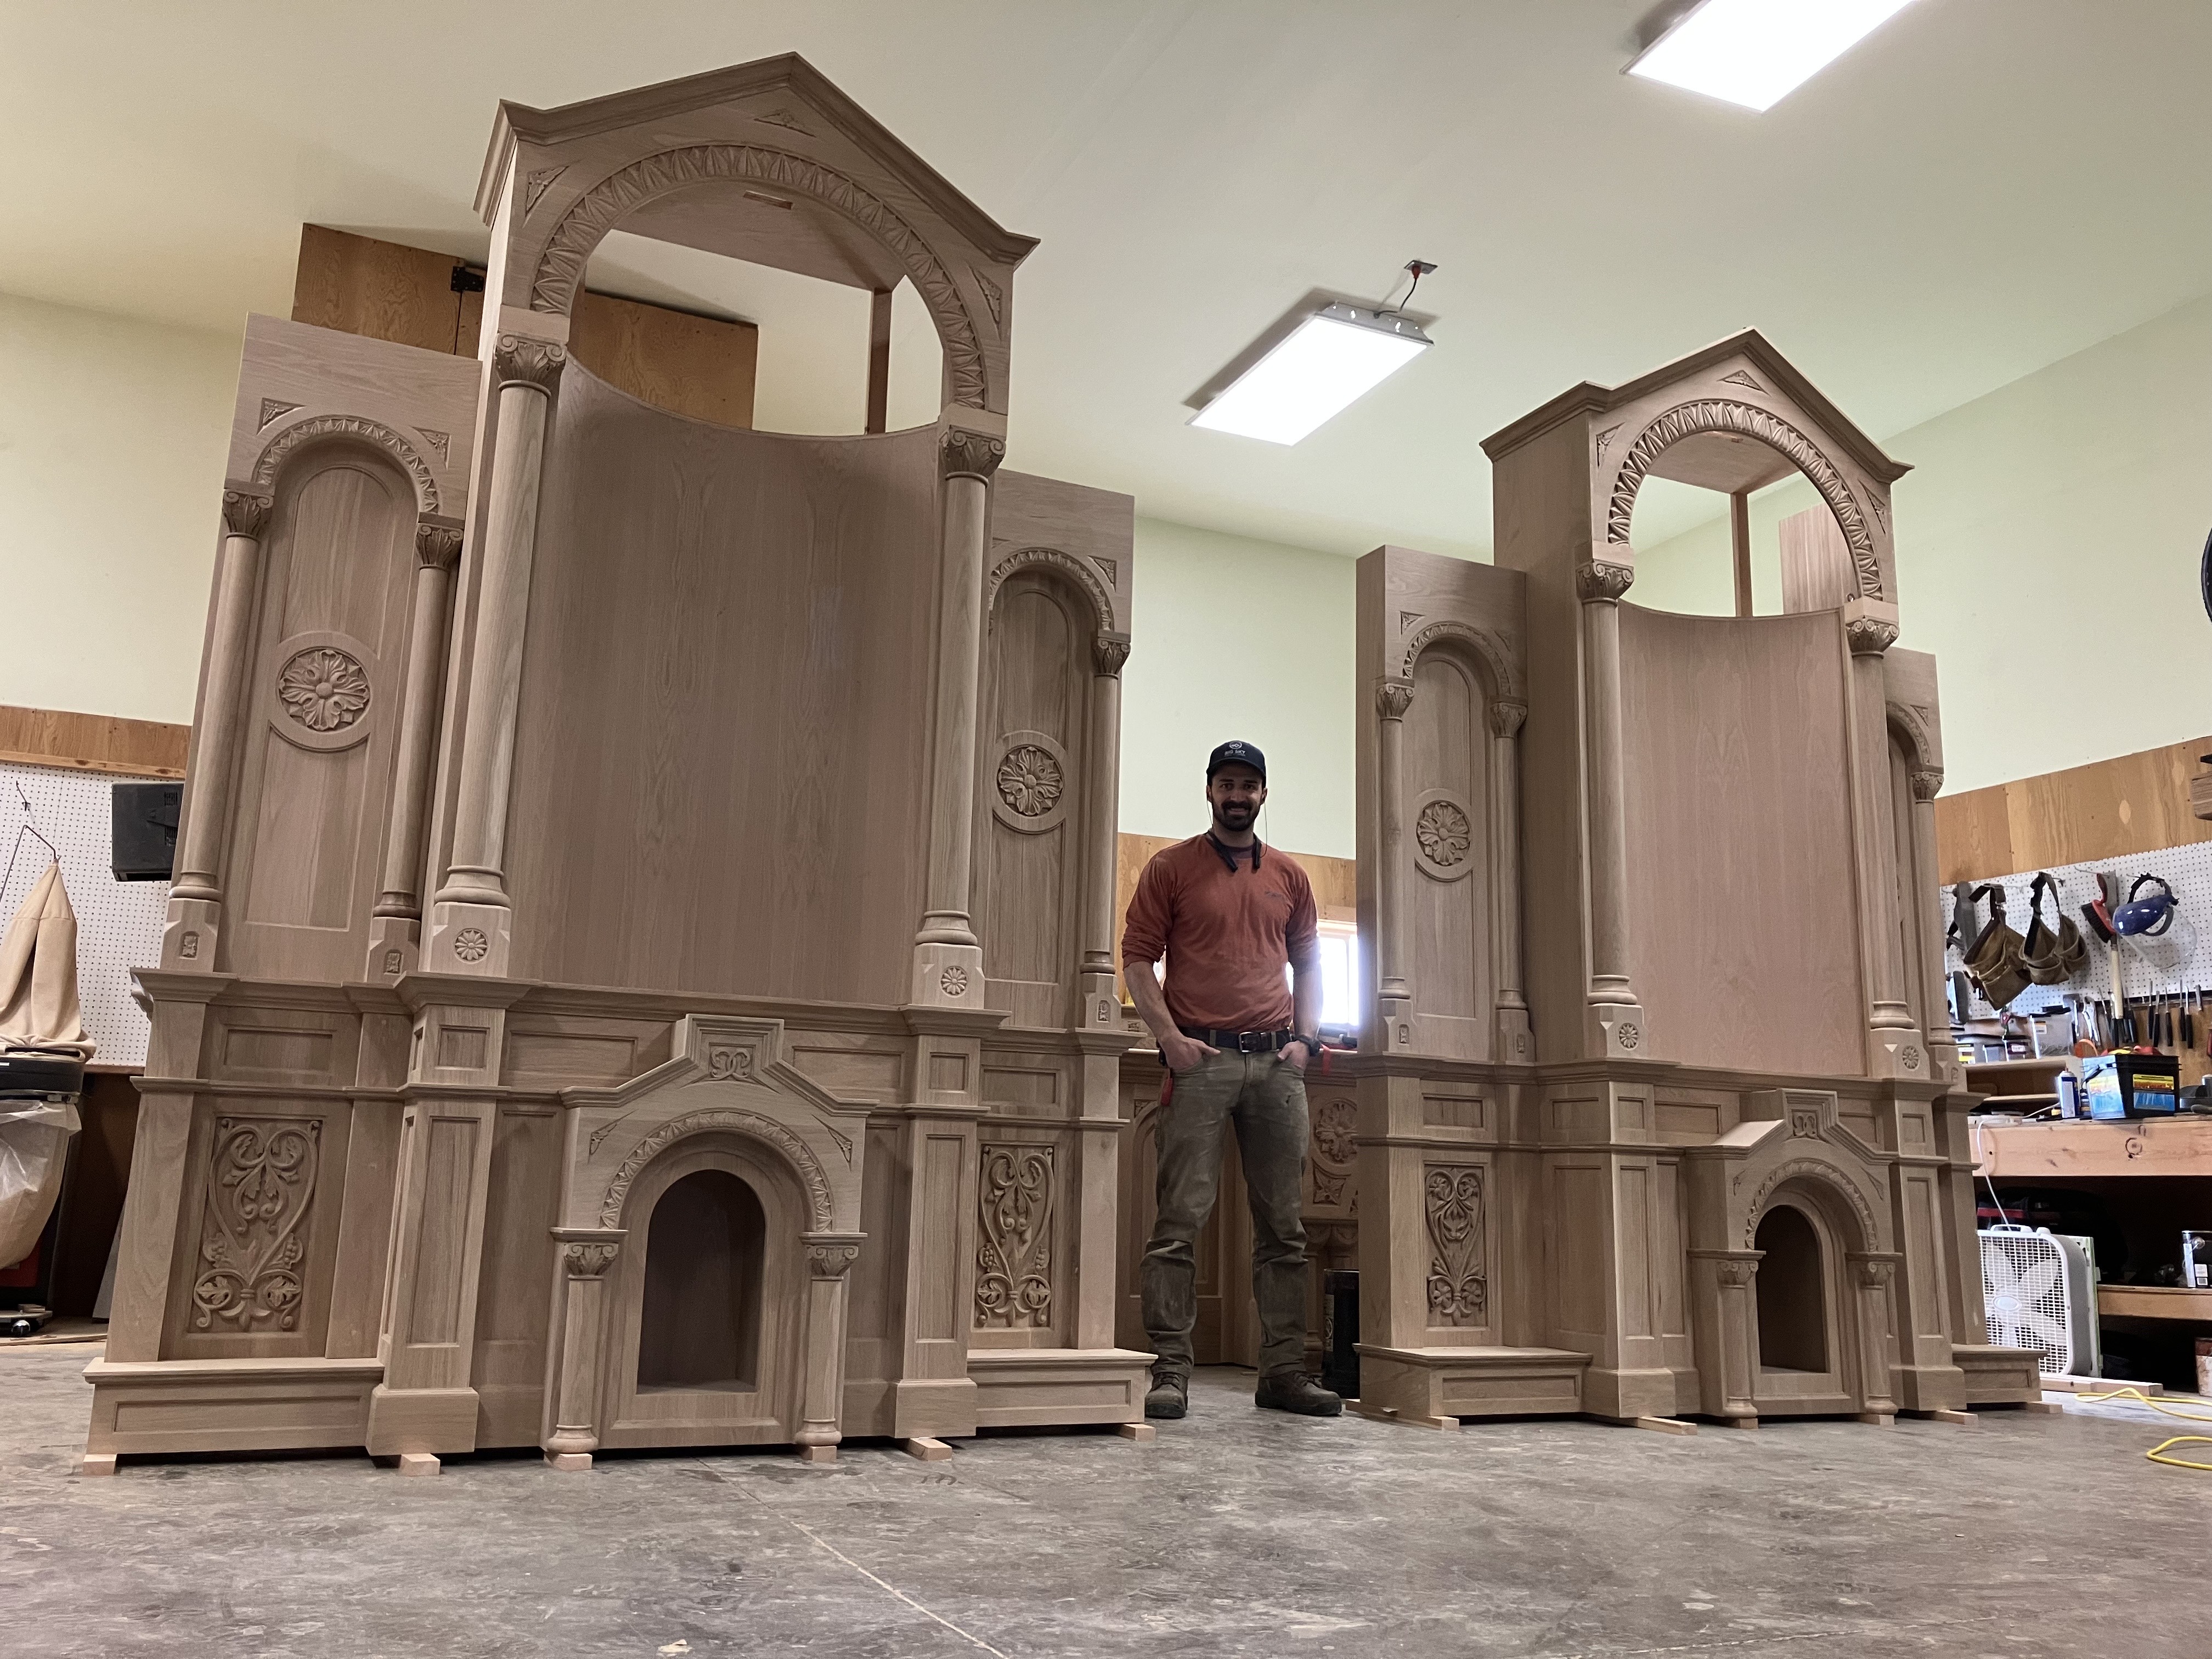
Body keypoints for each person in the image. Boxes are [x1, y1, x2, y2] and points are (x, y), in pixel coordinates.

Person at [1120, 740, 1341, 1420]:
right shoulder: (1170, 868)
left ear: (1264, 794)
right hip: (1201, 1063)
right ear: (1209, 790)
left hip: (1277, 1066)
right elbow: (1136, 958)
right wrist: (1169, 1039)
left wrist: (1305, 1040)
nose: (1238, 795)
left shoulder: (1290, 877)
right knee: (1178, 1223)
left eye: (1249, 785)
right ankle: (1171, 1371)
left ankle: (1283, 1373)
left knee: (1285, 1228)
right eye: (1227, 784)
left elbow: (1310, 964)